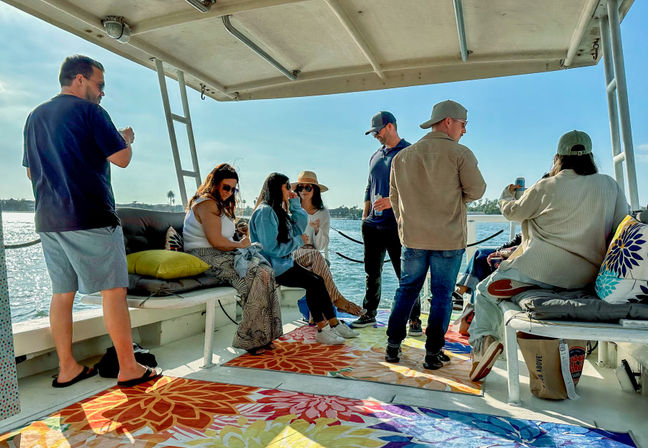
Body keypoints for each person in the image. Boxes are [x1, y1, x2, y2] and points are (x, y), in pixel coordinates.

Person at [22, 55, 159, 388]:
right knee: (113, 291)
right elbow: (122, 159)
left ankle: (67, 367)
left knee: (62, 294)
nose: (101, 93)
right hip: (90, 216)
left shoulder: (34, 117)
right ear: (80, 79)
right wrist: (123, 136)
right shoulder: (92, 113)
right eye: (99, 85)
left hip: (49, 220)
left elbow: (30, 171)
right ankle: (129, 368)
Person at [468, 130, 630, 381]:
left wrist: (506, 195)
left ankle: (484, 343)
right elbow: (622, 226)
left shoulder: (546, 186)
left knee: (483, 291)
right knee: (500, 287)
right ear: (589, 156)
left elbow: (513, 212)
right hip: (586, 276)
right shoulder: (610, 185)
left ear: (558, 157)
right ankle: (513, 302)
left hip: (541, 269)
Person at [386, 100, 486, 370]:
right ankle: (433, 354)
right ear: (449, 121)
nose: (465, 130)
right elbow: (476, 191)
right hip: (447, 240)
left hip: (413, 239)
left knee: (406, 291)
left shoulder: (401, 157)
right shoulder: (460, 154)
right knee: (442, 295)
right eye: (464, 124)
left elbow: (394, 199)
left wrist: (407, 226)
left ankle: (393, 347)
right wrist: (457, 196)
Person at [183, 164, 283, 355]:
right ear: (214, 185)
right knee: (255, 274)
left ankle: (264, 335)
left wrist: (238, 237)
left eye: (233, 188)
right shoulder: (206, 204)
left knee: (266, 271)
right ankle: (250, 339)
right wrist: (241, 245)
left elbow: (223, 238)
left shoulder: (218, 205)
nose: (229, 192)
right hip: (205, 255)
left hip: (220, 253)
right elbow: (216, 241)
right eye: (226, 187)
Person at [250, 173, 358, 344]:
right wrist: (299, 242)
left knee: (317, 281)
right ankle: (324, 328)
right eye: (288, 187)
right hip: (272, 266)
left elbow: (297, 228)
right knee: (314, 282)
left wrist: (294, 205)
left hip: (285, 263)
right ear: (277, 188)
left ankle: (332, 324)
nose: (293, 191)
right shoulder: (265, 212)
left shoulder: (277, 210)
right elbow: (270, 248)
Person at [352, 111, 422, 333]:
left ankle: (414, 318)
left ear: (390, 126)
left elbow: (418, 189)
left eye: (378, 131)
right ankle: (369, 313)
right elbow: (368, 186)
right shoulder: (375, 155)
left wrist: (392, 202)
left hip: (397, 225)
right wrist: (365, 216)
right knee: (371, 273)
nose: (375, 135)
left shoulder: (410, 152)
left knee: (405, 274)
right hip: (372, 225)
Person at [292, 170, 364, 316]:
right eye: (300, 187)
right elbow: (283, 238)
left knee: (316, 260)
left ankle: (317, 316)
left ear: (315, 190)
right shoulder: (292, 210)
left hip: (312, 253)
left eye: (308, 187)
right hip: (292, 252)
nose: (303, 191)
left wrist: (317, 230)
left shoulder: (323, 213)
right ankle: (337, 300)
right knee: (316, 259)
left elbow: (320, 246)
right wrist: (299, 240)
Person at [454, 233, 522, 308]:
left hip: (522, 256)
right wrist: (498, 251)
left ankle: (463, 296)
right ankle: (470, 305)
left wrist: (500, 252)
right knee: (481, 256)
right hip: (516, 252)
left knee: (482, 256)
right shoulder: (531, 227)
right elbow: (518, 239)